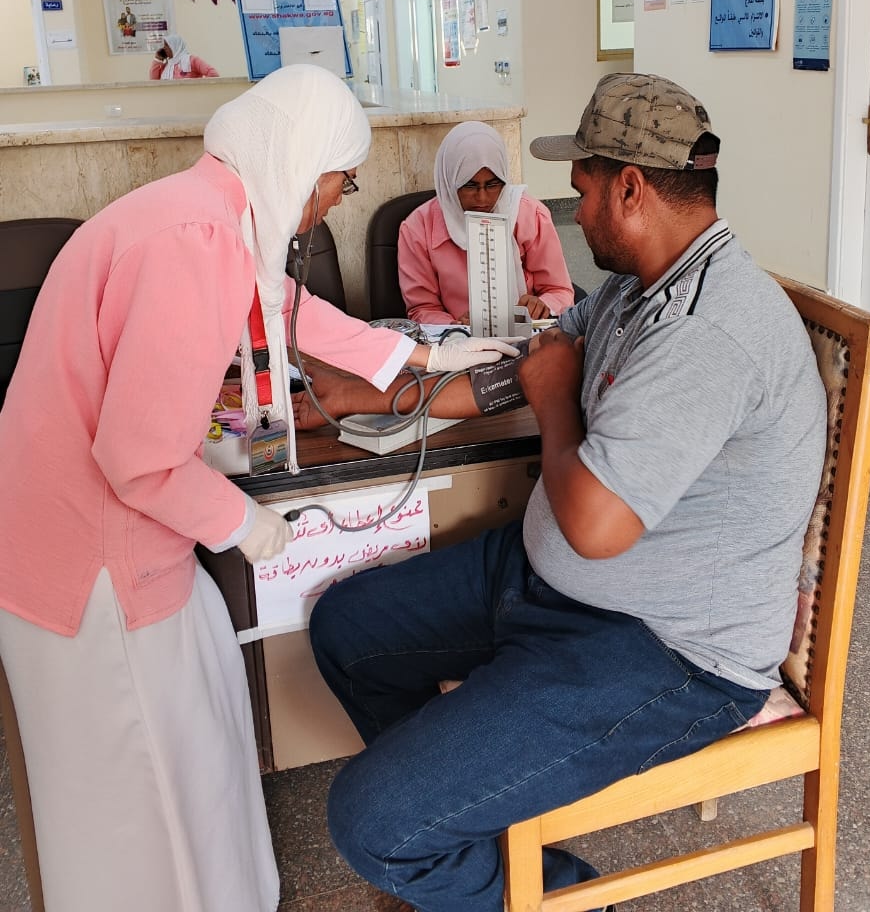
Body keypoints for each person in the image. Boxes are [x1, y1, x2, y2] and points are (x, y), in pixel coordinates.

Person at [298, 71, 827, 912]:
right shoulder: (637, 285)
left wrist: (552, 399)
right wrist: (368, 394)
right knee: (348, 629)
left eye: (582, 188)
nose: (572, 209)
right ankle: (467, 827)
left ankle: (560, 895)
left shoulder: (708, 332)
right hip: (556, 584)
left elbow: (594, 524)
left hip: (666, 648)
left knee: (370, 823)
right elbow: (523, 368)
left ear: (631, 187)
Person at [0, 65, 515, 912]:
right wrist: (242, 521)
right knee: (146, 794)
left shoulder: (204, 217)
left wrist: (425, 353)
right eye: (342, 180)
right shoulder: (194, 240)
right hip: (92, 562)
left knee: (198, 747)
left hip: (101, 540)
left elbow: (287, 307)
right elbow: (138, 458)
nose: (339, 201)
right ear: (303, 163)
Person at [398, 120, 574, 324]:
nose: (482, 198)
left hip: (528, 332)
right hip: (456, 338)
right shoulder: (418, 229)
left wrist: (542, 305)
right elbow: (422, 309)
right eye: (469, 186)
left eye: (492, 185)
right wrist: (456, 325)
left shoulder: (530, 215)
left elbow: (560, 291)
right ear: (449, 182)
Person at [150, 31, 220, 79]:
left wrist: (199, 89)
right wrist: (157, 59)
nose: (164, 48)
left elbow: (213, 74)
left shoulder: (192, 60)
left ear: (175, 46)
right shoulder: (167, 65)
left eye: (167, 45)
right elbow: (154, 81)